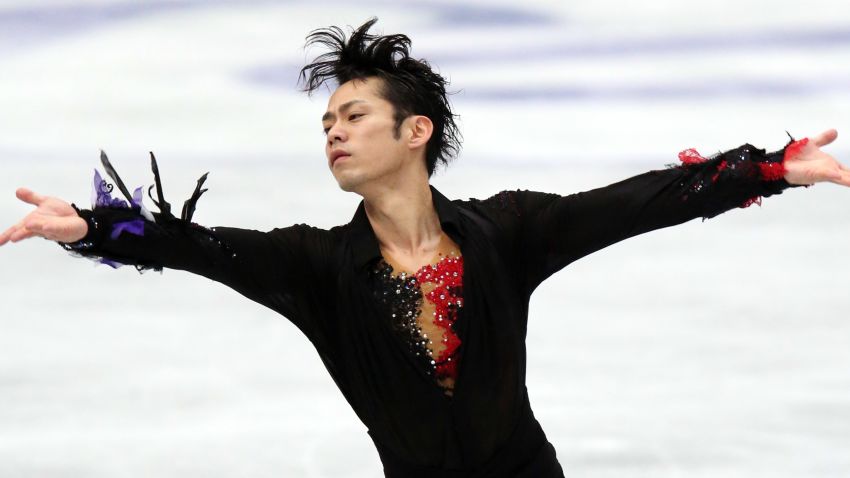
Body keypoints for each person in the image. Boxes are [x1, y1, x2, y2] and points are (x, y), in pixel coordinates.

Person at [1, 16, 848, 478]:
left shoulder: (507, 233)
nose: (333, 132)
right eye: (325, 122)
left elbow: (631, 204)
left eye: (352, 116)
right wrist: (91, 225)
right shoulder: (313, 268)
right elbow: (197, 244)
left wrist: (771, 168)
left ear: (416, 131)